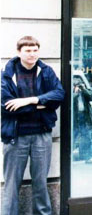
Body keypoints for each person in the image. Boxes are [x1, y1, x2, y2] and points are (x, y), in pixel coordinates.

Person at [1, 36, 65, 215]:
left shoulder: (46, 71)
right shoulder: (6, 75)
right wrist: (41, 105)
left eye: (35, 50)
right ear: (19, 52)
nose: (32, 54)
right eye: (28, 50)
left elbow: (59, 94)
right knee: (12, 183)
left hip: (41, 134)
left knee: (40, 182)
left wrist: (29, 100)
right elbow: (6, 107)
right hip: (15, 136)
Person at [72, 77, 92, 163]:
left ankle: (88, 158)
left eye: (79, 84)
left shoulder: (84, 92)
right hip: (74, 118)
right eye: (76, 84)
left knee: (87, 138)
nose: (78, 86)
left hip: (84, 117)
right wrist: (75, 93)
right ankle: (68, 158)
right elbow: (68, 101)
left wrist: (84, 89)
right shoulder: (71, 91)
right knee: (72, 138)